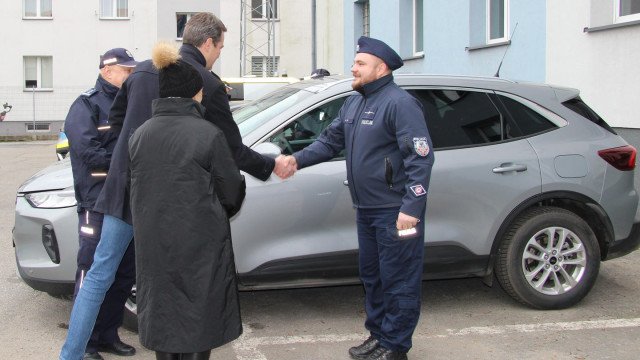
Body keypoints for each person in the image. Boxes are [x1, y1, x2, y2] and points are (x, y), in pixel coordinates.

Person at [60, 12, 289, 360]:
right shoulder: (206, 83)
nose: (218, 55)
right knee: (178, 281)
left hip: (126, 190)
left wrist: (131, 155)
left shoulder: (142, 72)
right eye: (220, 48)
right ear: (208, 43)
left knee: (99, 275)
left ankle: (70, 355)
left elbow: (118, 120)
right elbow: (230, 149)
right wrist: (271, 164)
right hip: (173, 203)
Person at [277, 36, 435, 360]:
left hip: (395, 212)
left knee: (399, 280)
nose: (353, 68)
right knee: (373, 278)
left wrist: (412, 208)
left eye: (360, 63)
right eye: (354, 62)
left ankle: (395, 346)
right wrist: (296, 160)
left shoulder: (399, 103)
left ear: (382, 67)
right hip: (366, 210)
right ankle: (378, 336)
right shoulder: (354, 103)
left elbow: (421, 158)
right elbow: (329, 142)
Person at [128, 42, 246, 360]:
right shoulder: (207, 134)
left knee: (164, 314)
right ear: (194, 94)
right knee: (199, 316)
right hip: (200, 246)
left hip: (154, 245)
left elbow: (135, 189)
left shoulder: (139, 135)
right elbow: (232, 191)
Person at [63, 48, 138, 360]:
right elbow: (86, 150)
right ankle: (87, 344)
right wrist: (124, 164)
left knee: (123, 273)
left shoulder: (131, 101)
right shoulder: (87, 104)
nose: (131, 75)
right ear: (108, 70)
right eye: (126, 70)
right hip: (97, 201)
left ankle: (108, 334)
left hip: (125, 202)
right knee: (93, 272)